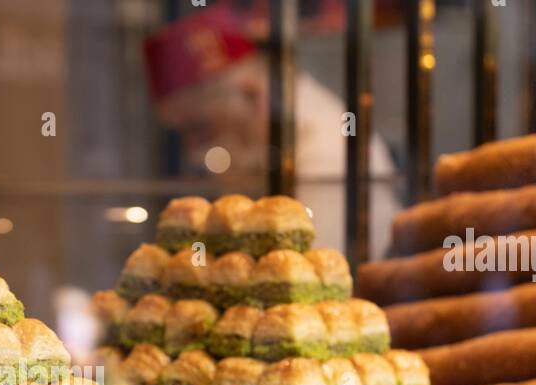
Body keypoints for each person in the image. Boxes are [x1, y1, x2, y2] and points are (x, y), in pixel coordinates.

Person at [143, 4, 399, 257]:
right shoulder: (267, 150)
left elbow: (301, 272)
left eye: (202, 128)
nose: (194, 151)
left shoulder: (327, 151)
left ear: (252, 94)